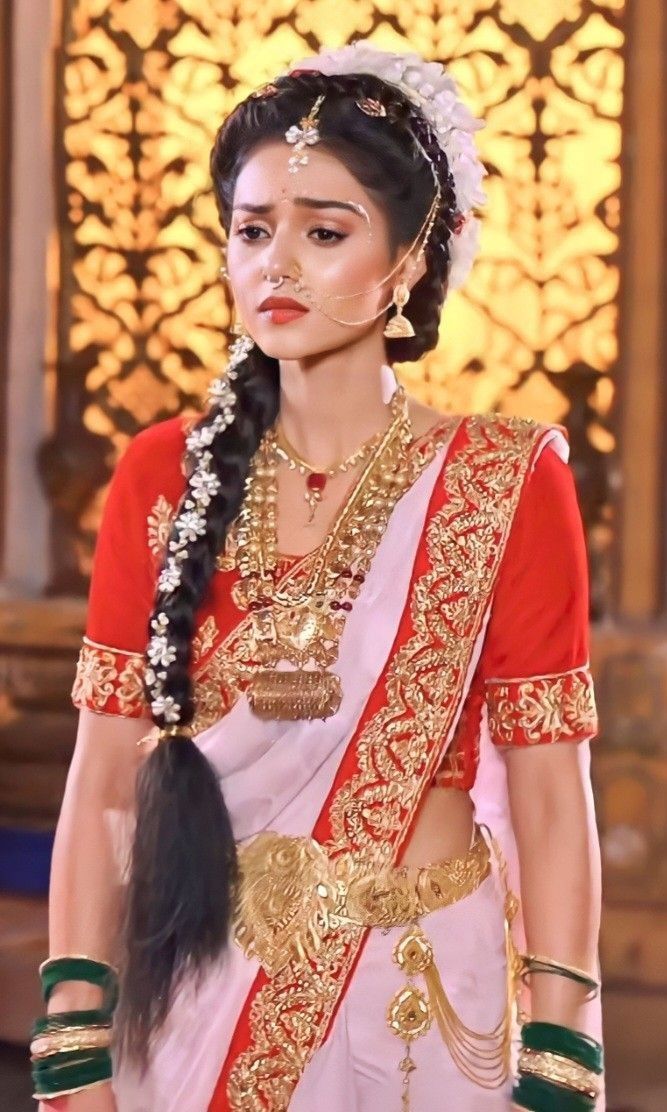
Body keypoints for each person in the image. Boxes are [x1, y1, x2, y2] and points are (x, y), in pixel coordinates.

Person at [32, 41, 604, 1112]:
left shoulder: (502, 481)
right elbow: (107, 767)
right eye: (252, 230)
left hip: (419, 994)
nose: (275, 265)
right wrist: (74, 1022)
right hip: (197, 985)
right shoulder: (163, 471)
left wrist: (565, 1046)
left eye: (324, 232)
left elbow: (549, 786)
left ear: (408, 262)